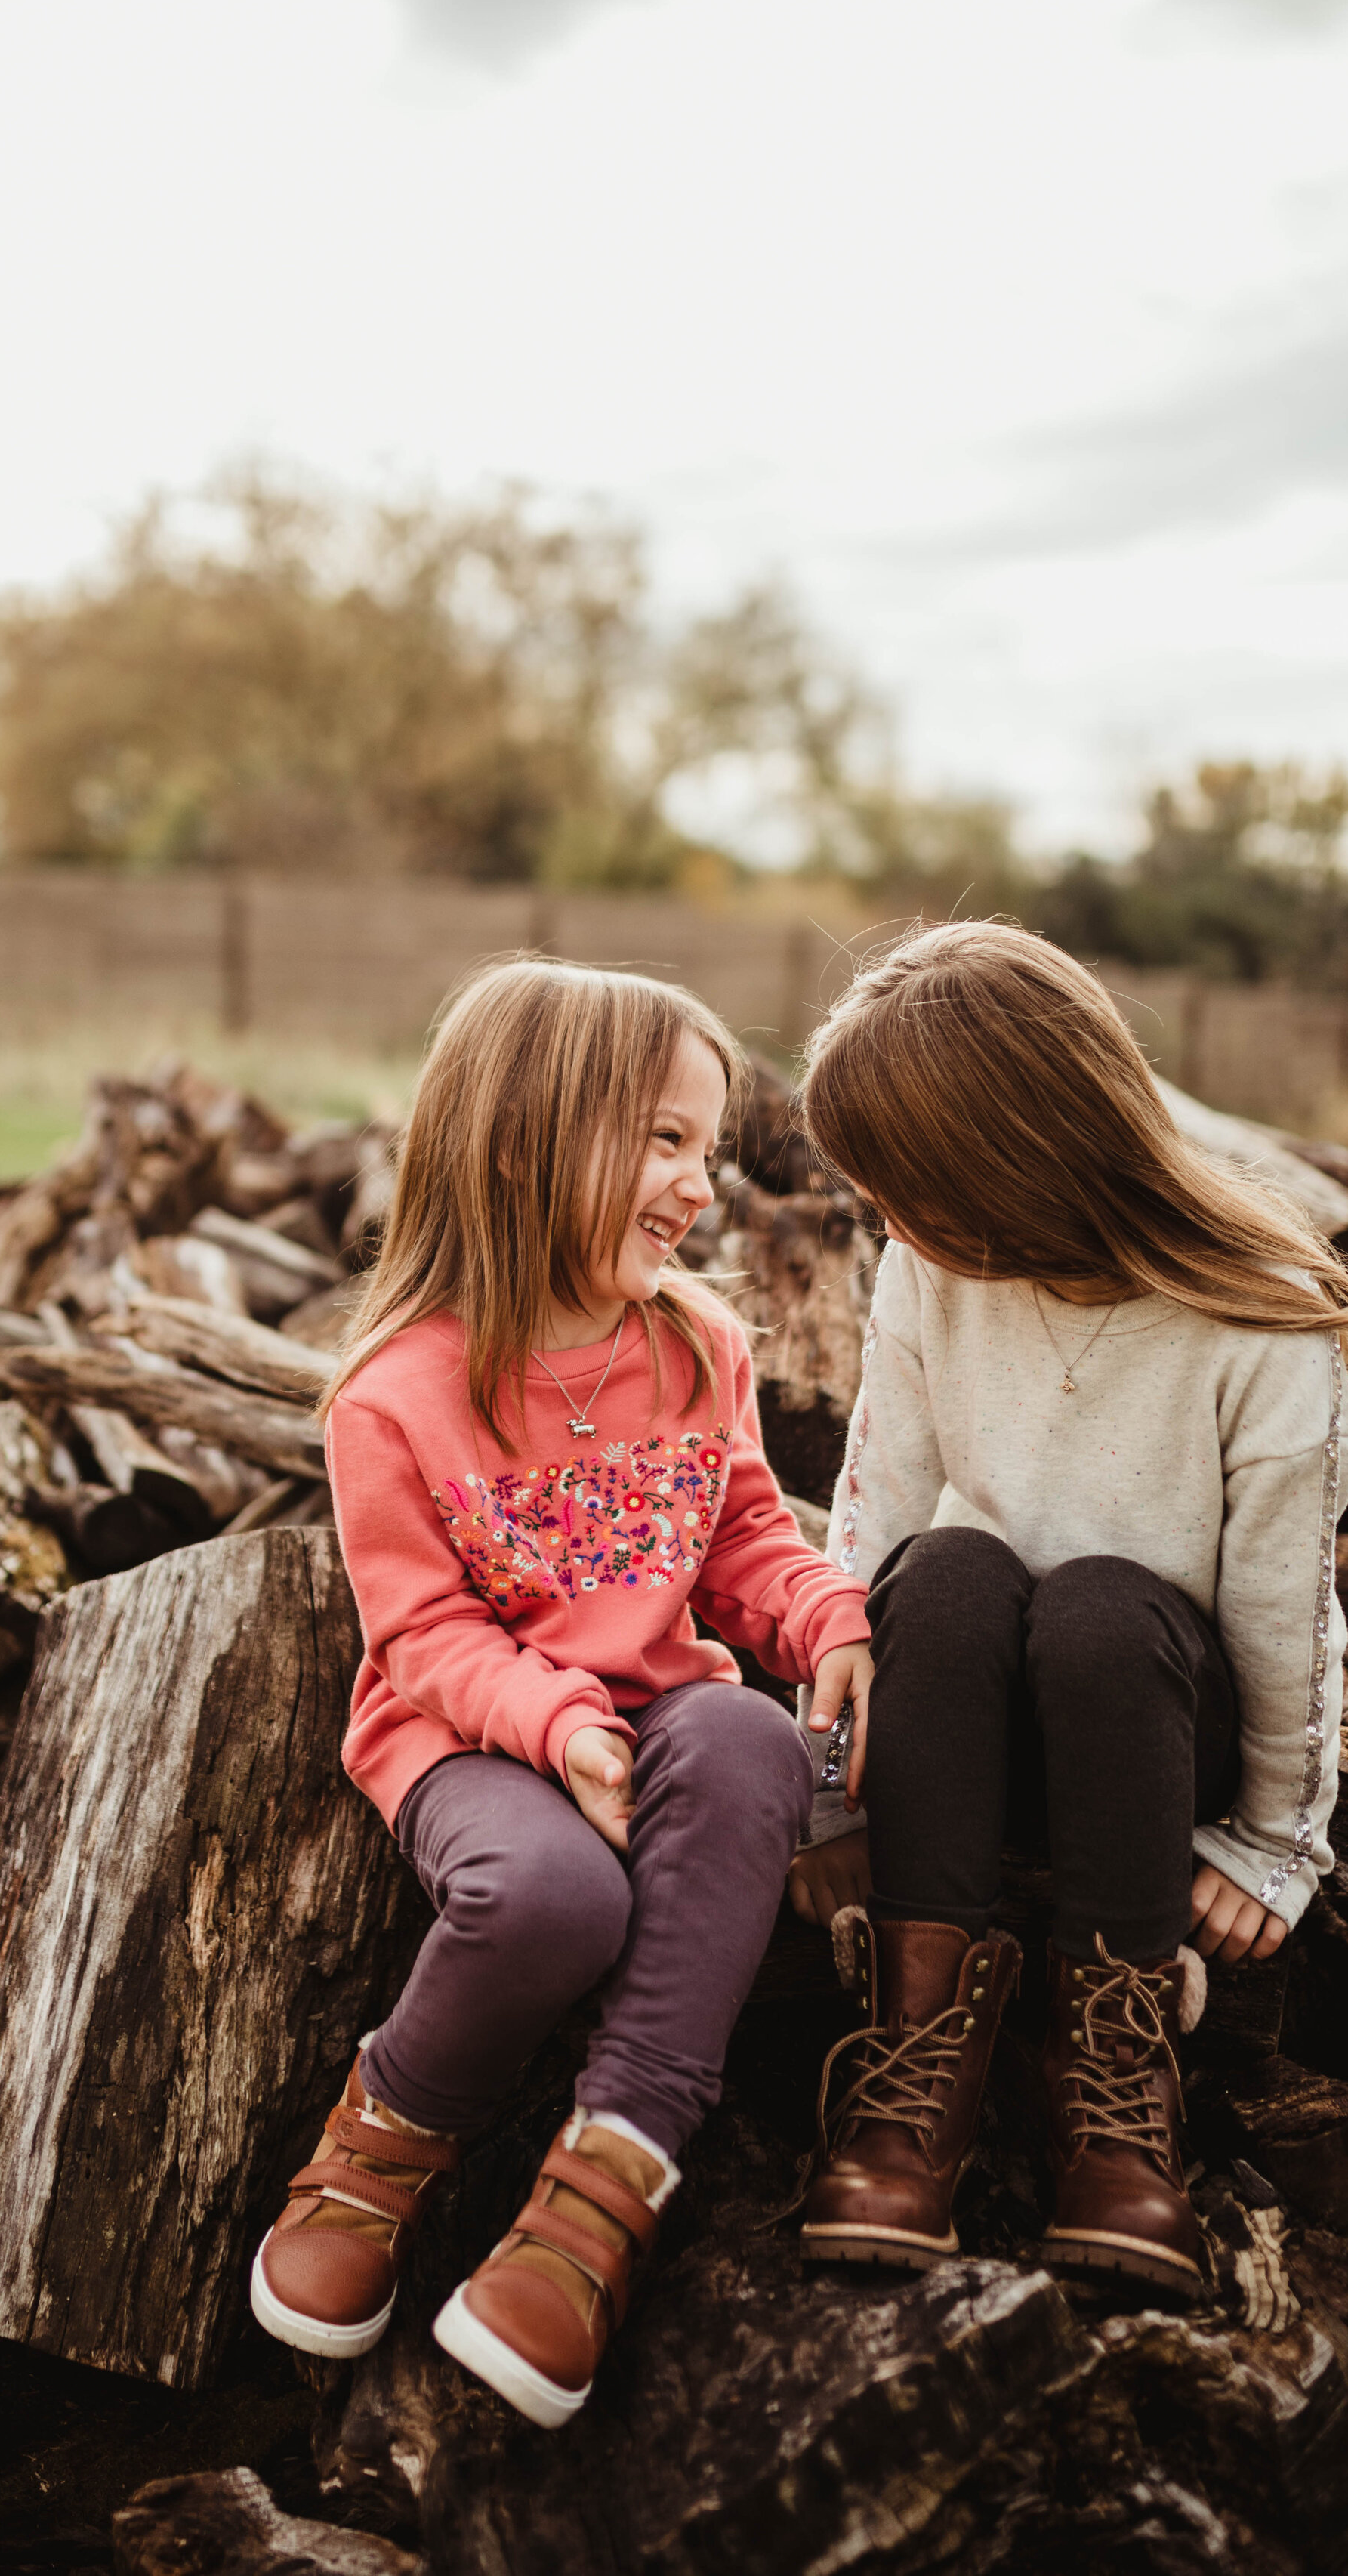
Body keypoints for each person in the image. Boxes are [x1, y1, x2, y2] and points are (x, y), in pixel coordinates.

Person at [249, 956, 875, 2429]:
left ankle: (597, 2198)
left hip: (656, 1719)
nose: (699, 1190)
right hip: (469, 1735)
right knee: (551, 1901)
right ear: (522, 1138)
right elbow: (423, 1637)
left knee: (740, 1737)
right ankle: (378, 2148)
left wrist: (823, 1614)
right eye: (663, 1141)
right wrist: (557, 1727)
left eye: (706, 1151)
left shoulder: (693, 1344)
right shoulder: (395, 1393)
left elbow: (738, 1542)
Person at [788, 921, 1348, 2299]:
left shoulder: (1264, 1329)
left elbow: (1286, 1623)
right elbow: (864, 1525)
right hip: (967, 1727)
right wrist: (819, 1795)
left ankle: (1115, 2074)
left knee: (1110, 1611)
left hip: (1158, 1729)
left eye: (903, 1189)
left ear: (1010, 1171)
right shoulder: (930, 1271)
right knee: (940, 1572)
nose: (885, 1221)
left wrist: (1275, 1843)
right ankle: (914, 2054)